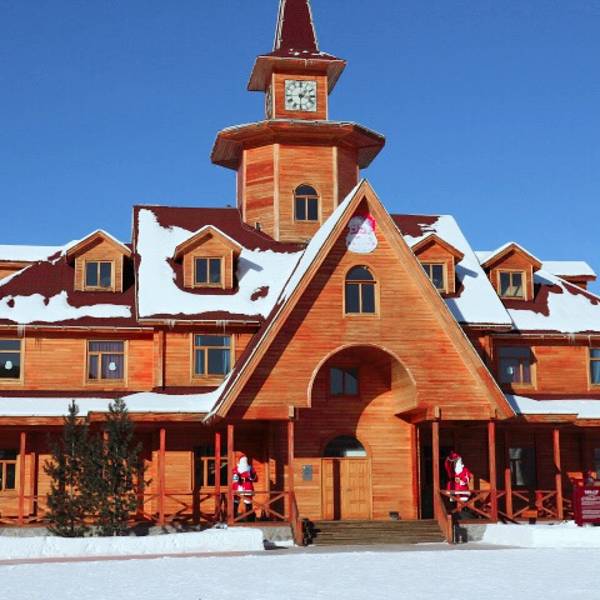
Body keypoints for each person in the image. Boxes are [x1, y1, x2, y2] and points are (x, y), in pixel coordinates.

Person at [232, 454, 258, 520]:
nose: (244, 461)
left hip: (247, 486)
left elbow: (255, 478)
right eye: (243, 460)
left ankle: (249, 518)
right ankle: (234, 518)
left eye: (245, 460)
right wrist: (237, 478)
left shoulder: (250, 468)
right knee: (236, 502)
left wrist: (251, 476)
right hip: (238, 486)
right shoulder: (236, 468)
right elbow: (234, 478)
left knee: (248, 502)